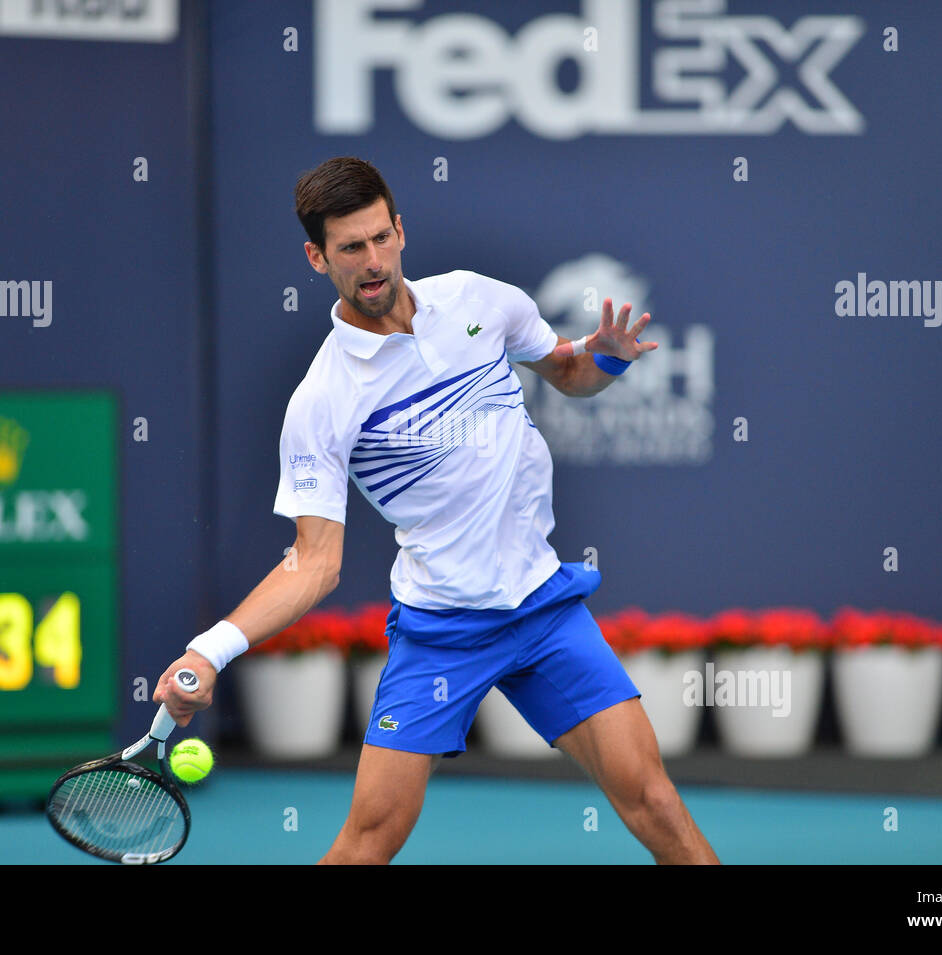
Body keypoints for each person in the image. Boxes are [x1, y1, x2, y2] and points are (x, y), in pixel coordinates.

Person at [155, 156, 719, 865]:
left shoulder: (481, 301)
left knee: (654, 800)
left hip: (542, 607)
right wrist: (211, 649)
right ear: (316, 256)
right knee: (368, 842)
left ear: (399, 229)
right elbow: (314, 563)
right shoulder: (323, 400)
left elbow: (565, 370)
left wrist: (601, 360)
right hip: (442, 630)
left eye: (380, 238)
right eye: (350, 248)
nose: (372, 261)